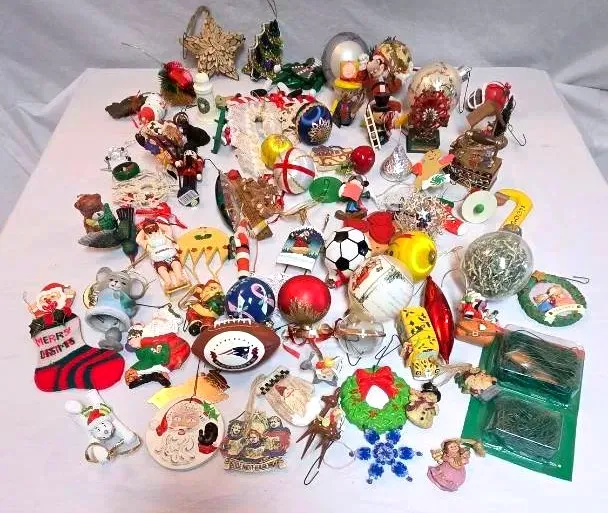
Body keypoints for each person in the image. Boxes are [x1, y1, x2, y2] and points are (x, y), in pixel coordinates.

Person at [136, 218, 188, 292]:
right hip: (159, 262)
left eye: (155, 230)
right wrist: (143, 229)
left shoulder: (166, 236)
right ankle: (168, 282)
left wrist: (157, 224)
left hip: (172, 257)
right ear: (147, 234)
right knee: (161, 269)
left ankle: (180, 278)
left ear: (158, 229)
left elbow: (168, 228)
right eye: (150, 232)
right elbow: (138, 240)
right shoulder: (147, 242)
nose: (153, 233)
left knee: (176, 264)